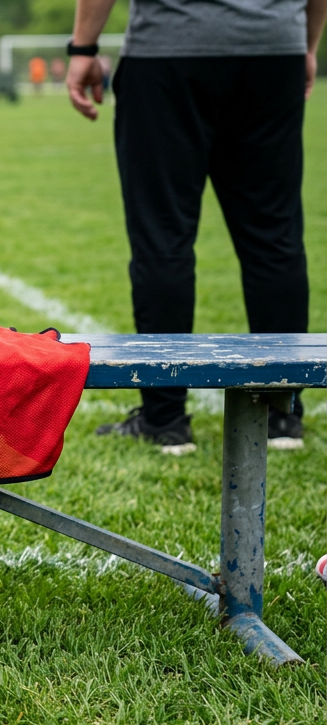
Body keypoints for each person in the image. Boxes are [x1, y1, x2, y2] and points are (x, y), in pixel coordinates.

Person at [68, 0, 326, 451]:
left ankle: (165, 418)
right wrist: (304, 43)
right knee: (274, 236)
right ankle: (281, 414)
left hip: (168, 49)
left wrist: (83, 46)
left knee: (161, 237)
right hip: (272, 48)